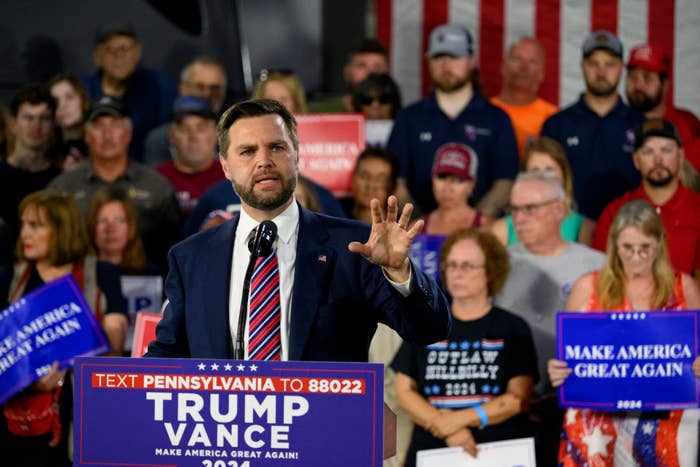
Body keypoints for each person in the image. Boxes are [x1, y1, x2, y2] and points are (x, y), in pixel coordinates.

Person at [145, 98, 450, 362]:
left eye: (276, 147)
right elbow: (165, 358)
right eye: (247, 151)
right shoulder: (191, 258)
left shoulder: (356, 247)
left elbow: (429, 331)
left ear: (297, 155)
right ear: (225, 166)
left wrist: (400, 274)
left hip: (325, 427)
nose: (263, 161)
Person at [548, 199, 700, 466]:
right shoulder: (588, 288)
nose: (636, 256)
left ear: (659, 244)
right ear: (614, 245)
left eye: (645, 248)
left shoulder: (683, 288)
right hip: (597, 426)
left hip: (664, 428)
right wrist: (559, 370)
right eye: (628, 248)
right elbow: (568, 357)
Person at [0, 190, 127, 467]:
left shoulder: (102, 272)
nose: (25, 234)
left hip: (86, 412)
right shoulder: (9, 277)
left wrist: (111, 333)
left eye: (36, 225)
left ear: (62, 228)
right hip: (21, 419)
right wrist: (28, 379)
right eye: (23, 224)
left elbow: (116, 351)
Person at [393, 228, 538, 465]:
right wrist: (449, 429)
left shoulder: (512, 327)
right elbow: (404, 392)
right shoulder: (426, 322)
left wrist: (460, 419)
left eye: (468, 266)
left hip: (496, 451)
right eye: (451, 265)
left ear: (490, 272)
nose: (457, 273)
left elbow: (517, 399)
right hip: (433, 449)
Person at [493, 171, 605, 467]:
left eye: (529, 208)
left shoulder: (598, 265)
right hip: (510, 409)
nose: (519, 218)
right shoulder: (496, 265)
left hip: (580, 408)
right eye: (514, 209)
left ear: (559, 209)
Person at [388, 24, 519, 217]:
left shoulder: (497, 119)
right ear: (428, 62)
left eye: (455, 56)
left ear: (472, 61)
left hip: (480, 237)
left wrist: (472, 226)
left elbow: (505, 183)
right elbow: (396, 184)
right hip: (418, 238)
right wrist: (425, 229)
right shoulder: (408, 118)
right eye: (438, 57)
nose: (446, 64)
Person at [47, 96, 180, 269]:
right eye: (98, 126)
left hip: (145, 284)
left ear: (128, 133)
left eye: (115, 126)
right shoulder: (62, 188)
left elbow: (175, 248)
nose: (107, 135)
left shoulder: (157, 186)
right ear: (86, 135)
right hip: (78, 285)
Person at [541, 30, 645, 220]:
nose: (601, 72)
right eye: (593, 64)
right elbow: (542, 183)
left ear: (622, 68)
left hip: (628, 231)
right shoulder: (557, 125)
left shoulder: (641, 125)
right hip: (569, 229)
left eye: (610, 64)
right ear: (582, 67)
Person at [593, 119, 700, 279]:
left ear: (681, 155)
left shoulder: (697, 209)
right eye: (648, 152)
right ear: (636, 160)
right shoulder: (614, 212)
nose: (658, 160)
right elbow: (601, 276)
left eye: (666, 150)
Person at [83, 22, 176, 160]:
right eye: (110, 49)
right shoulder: (82, 92)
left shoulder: (159, 87)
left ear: (138, 52)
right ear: (97, 57)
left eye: (125, 48)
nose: (119, 55)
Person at [490, 137, 595, 246]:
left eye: (549, 170)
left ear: (564, 175)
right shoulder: (501, 231)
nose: (542, 177)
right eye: (534, 171)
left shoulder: (585, 229)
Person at [0, 84, 62, 247]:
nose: (36, 126)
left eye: (44, 118)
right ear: (13, 124)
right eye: (28, 118)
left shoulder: (62, 182)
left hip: (51, 269)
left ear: (53, 126)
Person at [143, 56, 228, 166]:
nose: (207, 94)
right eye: (200, 87)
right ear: (183, 89)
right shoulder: (159, 140)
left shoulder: (236, 135)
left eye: (214, 88)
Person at [155, 96, 225, 219]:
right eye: (184, 129)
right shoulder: (155, 179)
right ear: (171, 136)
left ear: (216, 134)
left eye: (201, 128)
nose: (193, 137)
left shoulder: (232, 178)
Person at [491, 37, 557, 158]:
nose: (524, 66)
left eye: (532, 62)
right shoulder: (484, 112)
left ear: (542, 73)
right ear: (503, 67)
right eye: (517, 59)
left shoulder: (554, 119)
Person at [625, 44, 700, 149]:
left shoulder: (688, 124)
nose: (638, 85)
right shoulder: (615, 121)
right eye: (633, 77)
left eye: (647, 78)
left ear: (665, 84)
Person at [85, 185, 159, 276]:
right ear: (91, 225)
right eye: (103, 221)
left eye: (119, 220)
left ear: (131, 226)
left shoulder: (153, 275)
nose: (110, 228)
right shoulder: (74, 276)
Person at [421, 142, 488, 235]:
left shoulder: (487, 227)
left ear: (472, 184)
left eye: (457, 180)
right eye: (442, 177)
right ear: (432, 178)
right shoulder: (416, 227)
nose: (447, 188)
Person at [309, 38, 390, 113]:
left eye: (378, 67)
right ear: (347, 74)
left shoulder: (398, 116)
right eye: (362, 66)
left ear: (387, 73)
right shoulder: (318, 112)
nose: (371, 73)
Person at [342, 146, 398, 223]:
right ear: (353, 179)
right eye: (364, 176)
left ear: (392, 185)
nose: (371, 185)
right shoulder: (334, 216)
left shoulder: (403, 228)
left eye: (381, 179)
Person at [48, 73, 91, 170]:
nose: (63, 105)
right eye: (55, 101)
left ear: (83, 100)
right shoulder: (44, 155)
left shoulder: (101, 146)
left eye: (69, 97)